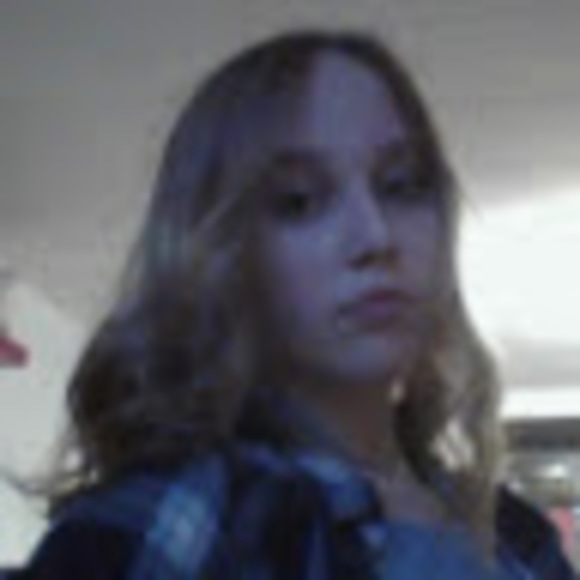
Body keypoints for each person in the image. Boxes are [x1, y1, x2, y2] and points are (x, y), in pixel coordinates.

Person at [10, 29, 575, 578]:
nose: (376, 235)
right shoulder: (186, 515)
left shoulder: (517, 536)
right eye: (298, 201)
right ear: (222, 252)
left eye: (402, 185)